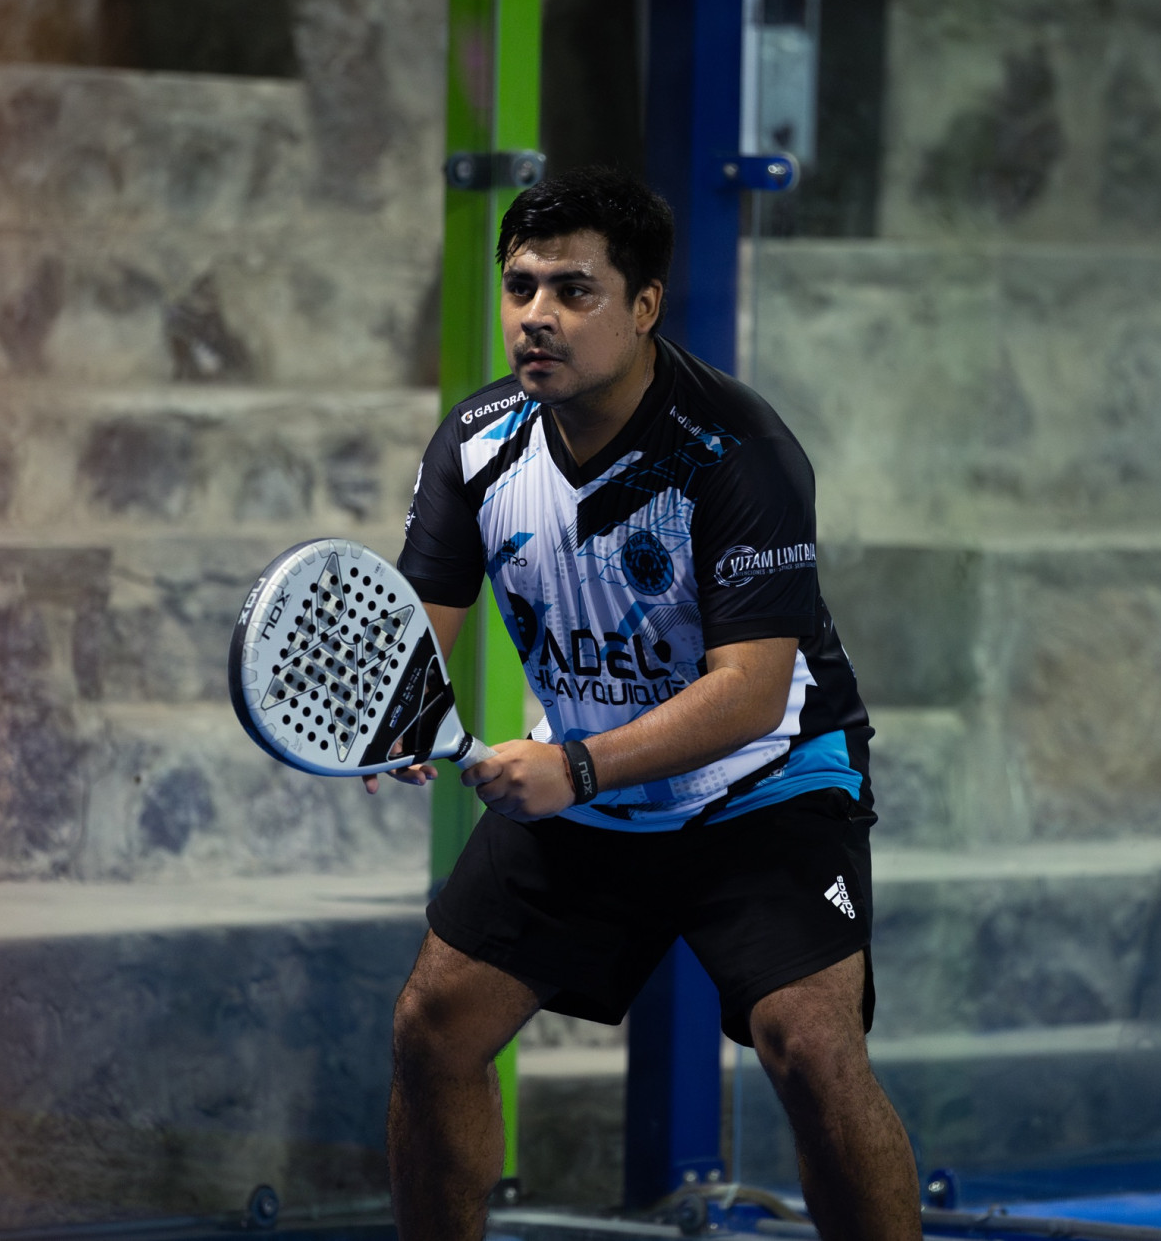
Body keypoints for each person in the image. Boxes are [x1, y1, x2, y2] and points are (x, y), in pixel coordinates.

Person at [365, 166, 921, 1241]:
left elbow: (750, 693)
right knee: (433, 1026)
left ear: (644, 306)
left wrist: (571, 769)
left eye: (574, 291)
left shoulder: (739, 452)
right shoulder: (475, 444)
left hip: (761, 787)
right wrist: (399, 708)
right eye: (521, 287)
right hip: (589, 794)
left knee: (811, 1048)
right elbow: (420, 627)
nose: (537, 315)